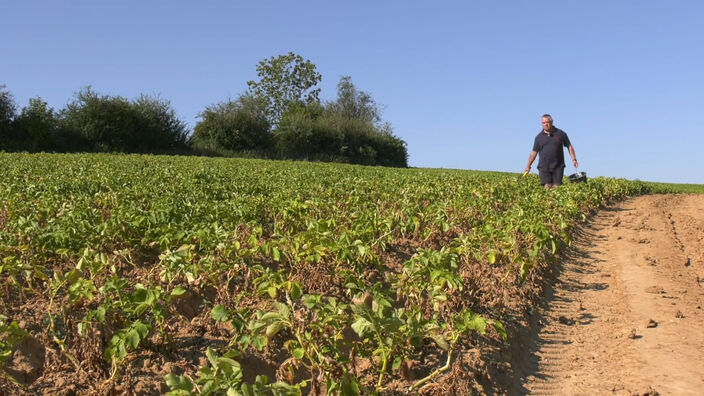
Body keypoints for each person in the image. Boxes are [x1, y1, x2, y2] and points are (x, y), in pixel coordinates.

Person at [524, 114, 578, 188]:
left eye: (547, 122)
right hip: (544, 167)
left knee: (557, 187)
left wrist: (574, 159)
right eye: (543, 123)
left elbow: (569, 146)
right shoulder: (538, 137)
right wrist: (528, 165)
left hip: (558, 166)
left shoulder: (560, 134)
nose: (545, 124)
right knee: (547, 186)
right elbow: (534, 152)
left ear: (552, 122)